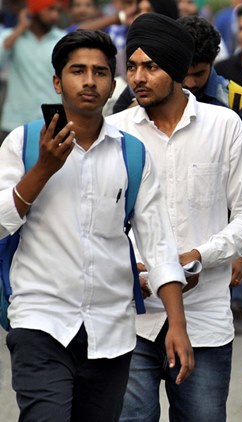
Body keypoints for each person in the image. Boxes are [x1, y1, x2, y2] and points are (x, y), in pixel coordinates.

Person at [0, 29, 193, 421]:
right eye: (78, 71)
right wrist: (43, 169)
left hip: (111, 331)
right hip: (40, 321)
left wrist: (177, 324)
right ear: (57, 82)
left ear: (111, 84)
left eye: (100, 72)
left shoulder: (132, 154)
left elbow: (158, 244)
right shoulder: (23, 144)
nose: (89, 81)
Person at [107, 13, 242, 421]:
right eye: (132, 67)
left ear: (177, 69)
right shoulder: (114, 132)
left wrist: (199, 255)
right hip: (130, 317)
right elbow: (96, 221)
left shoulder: (225, 126)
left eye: (151, 66)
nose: (138, 77)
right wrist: (129, 267)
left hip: (203, 317)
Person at [176, 15, 242, 335]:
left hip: (219, 231)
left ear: (214, 62)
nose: (190, 83)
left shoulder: (238, 102)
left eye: (199, 74)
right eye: (184, 73)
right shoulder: (145, 97)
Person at [0, 0, 66, 141]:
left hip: (52, 122)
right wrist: (20, 28)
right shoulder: (12, 36)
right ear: (35, 10)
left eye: (58, 11)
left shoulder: (62, 39)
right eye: (50, 9)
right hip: (15, 122)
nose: (55, 15)